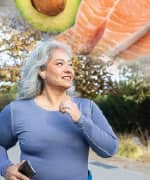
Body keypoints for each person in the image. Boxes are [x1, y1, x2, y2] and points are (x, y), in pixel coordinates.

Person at [0, 40, 118, 180]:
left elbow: (110, 150)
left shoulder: (86, 107)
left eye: (70, 64)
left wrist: (81, 120)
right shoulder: (17, 110)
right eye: (59, 64)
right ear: (41, 71)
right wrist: (5, 167)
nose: (69, 70)